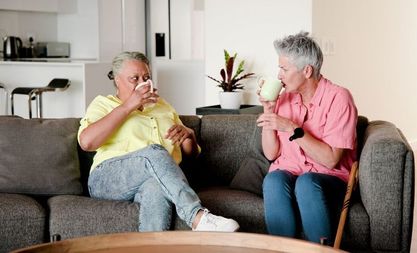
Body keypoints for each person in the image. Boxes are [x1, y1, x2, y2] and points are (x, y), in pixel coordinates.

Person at [78, 51, 239, 232]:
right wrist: (129, 105)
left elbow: (190, 154)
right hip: (107, 178)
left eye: (146, 77)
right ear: (117, 80)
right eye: (134, 78)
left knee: (157, 188)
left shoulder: (162, 106)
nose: (142, 83)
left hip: (154, 177)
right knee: (154, 151)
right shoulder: (103, 104)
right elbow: (87, 142)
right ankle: (196, 216)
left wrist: (189, 135)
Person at [256, 32, 358, 244]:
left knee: (307, 183)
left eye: (284, 69)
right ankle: (281, 249)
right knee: (273, 179)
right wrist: (269, 111)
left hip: (328, 180)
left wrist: (292, 127)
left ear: (307, 70)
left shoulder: (339, 99)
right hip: (291, 175)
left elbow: (331, 160)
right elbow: (271, 153)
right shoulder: (284, 99)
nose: (279, 75)